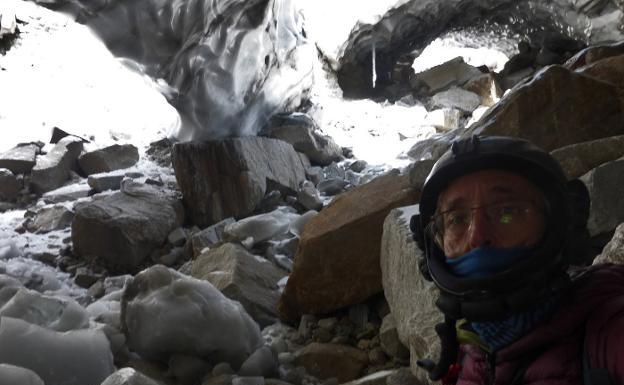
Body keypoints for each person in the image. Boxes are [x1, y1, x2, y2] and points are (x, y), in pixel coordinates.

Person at [410, 135, 624, 385]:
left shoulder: (609, 329)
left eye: (507, 212)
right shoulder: (470, 349)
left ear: (557, 226)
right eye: (457, 219)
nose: (477, 237)